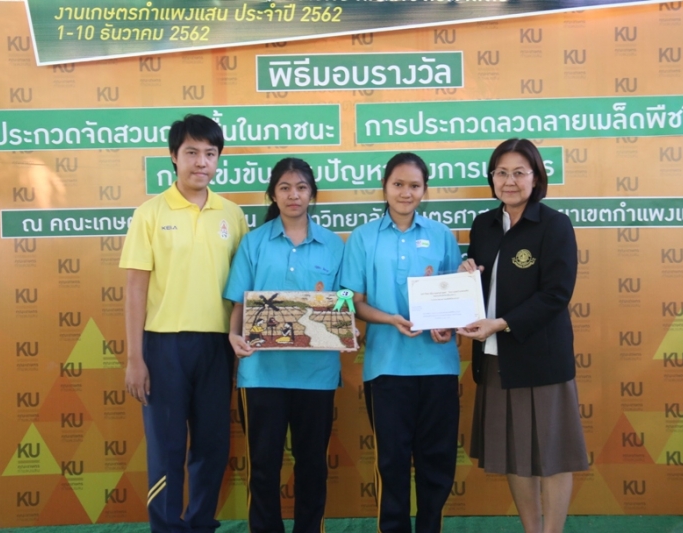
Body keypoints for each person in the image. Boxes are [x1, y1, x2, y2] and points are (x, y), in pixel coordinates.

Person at [120, 114, 248, 532]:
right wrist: (135, 358)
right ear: (173, 157)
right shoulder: (150, 213)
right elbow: (135, 289)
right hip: (163, 346)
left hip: (217, 346)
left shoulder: (233, 215)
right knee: (167, 448)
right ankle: (166, 526)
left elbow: (243, 290)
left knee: (212, 446)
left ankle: (200, 523)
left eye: (210, 153)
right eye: (191, 152)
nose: (201, 162)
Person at [457, 138, 588, 533]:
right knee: (515, 453)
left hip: (541, 358)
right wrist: (466, 277)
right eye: (501, 172)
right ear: (491, 178)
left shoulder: (554, 224)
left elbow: (556, 294)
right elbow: (482, 289)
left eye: (519, 172)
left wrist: (501, 323)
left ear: (536, 177)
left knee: (552, 455)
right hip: (496, 359)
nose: (509, 181)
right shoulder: (483, 224)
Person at [341, 152, 461, 533]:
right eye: (398, 184)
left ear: (425, 190)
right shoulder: (363, 237)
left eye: (414, 185)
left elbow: (456, 299)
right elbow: (355, 302)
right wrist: (390, 319)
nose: (405, 192)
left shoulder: (442, 236)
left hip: (438, 366)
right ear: (385, 187)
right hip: (386, 367)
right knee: (391, 463)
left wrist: (448, 326)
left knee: (437, 461)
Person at [224, 158, 345, 533]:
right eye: (285, 187)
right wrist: (233, 335)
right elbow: (240, 301)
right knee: (263, 466)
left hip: (317, 375)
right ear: (272, 195)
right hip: (261, 373)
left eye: (302, 187)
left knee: (312, 465)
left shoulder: (333, 245)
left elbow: (344, 303)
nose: (294, 195)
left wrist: (342, 327)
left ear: (312, 194)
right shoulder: (254, 242)